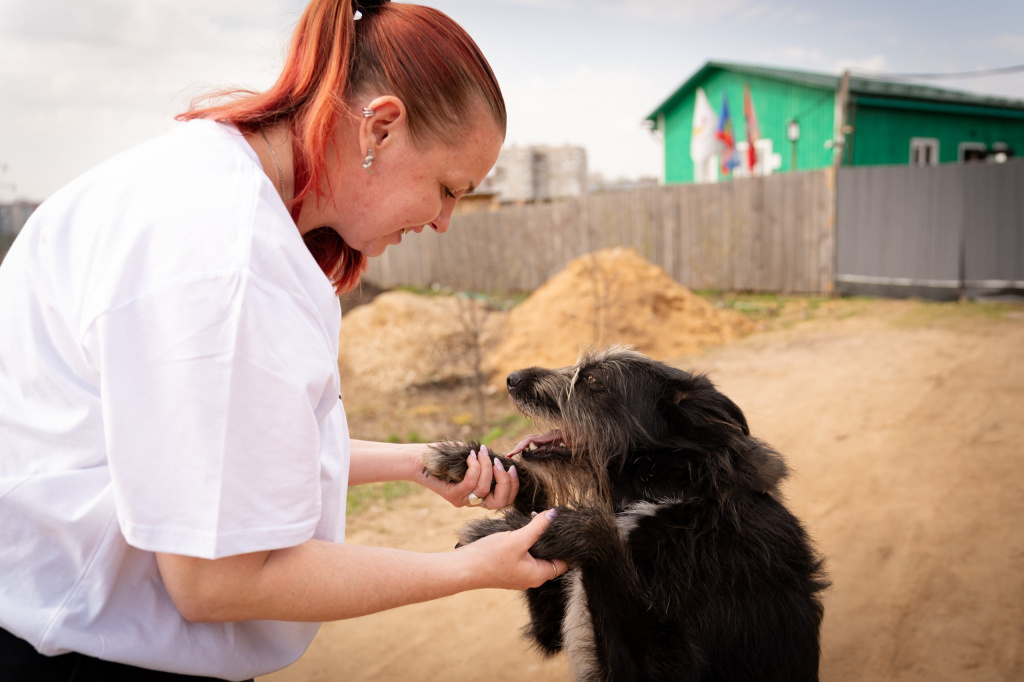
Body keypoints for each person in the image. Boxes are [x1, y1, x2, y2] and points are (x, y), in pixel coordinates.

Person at [0, 1, 566, 680]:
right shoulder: (229, 261)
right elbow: (220, 583)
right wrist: (465, 570)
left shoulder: (206, 187)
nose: (446, 220)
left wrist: (414, 461)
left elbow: (212, 462)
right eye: (448, 188)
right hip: (77, 652)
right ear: (381, 127)